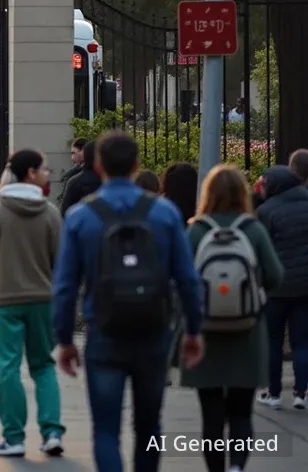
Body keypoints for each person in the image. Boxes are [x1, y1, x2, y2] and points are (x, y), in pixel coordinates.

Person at [52, 131, 205, 472]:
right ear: (137, 165)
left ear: (98, 165)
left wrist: (64, 339)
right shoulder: (164, 214)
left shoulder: (80, 216)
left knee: (106, 429)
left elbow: (64, 286)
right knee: (149, 426)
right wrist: (194, 330)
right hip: (154, 330)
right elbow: (187, 279)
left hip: (104, 331)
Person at [181, 165, 283, 472]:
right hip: (247, 331)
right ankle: (237, 465)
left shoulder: (196, 230)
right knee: (241, 412)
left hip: (204, 334)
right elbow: (276, 276)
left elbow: (182, 281)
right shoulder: (253, 230)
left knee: (211, 415)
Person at [0, 149, 64, 457]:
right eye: (43, 169)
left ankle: (14, 436)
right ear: (30, 173)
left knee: (8, 367)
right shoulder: (51, 213)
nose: (47, 173)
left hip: (6, 299)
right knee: (43, 366)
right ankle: (52, 431)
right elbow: (60, 262)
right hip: (43, 298)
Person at [254, 165, 308, 410]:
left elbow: (260, 251)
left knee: (273, 339)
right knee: (302, 341)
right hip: (305, 285)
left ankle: (273, 393)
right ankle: (301, 393)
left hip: (276, 286)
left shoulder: (266, 211)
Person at [60, 140, 100, 216]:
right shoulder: (108, 180)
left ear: (84, 152)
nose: (72, 158)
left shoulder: (74, 180)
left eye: (73, 153)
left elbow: (65, 212)